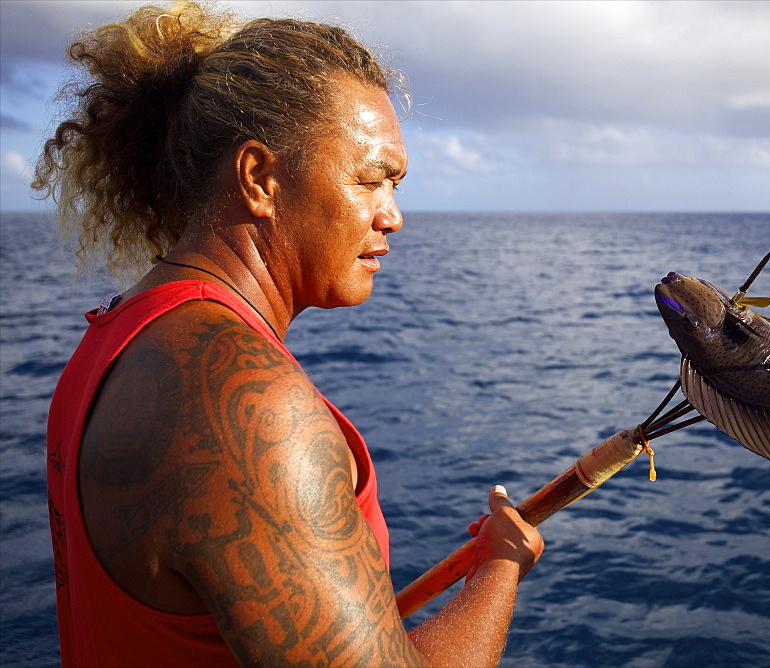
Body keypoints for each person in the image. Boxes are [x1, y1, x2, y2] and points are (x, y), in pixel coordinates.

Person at [35, 2, 544, 665]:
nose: (392, 216)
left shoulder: (117, 335)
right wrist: (499, 568)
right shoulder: (241, 409)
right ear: (259, 178)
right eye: (370, 179)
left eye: (396, 185)